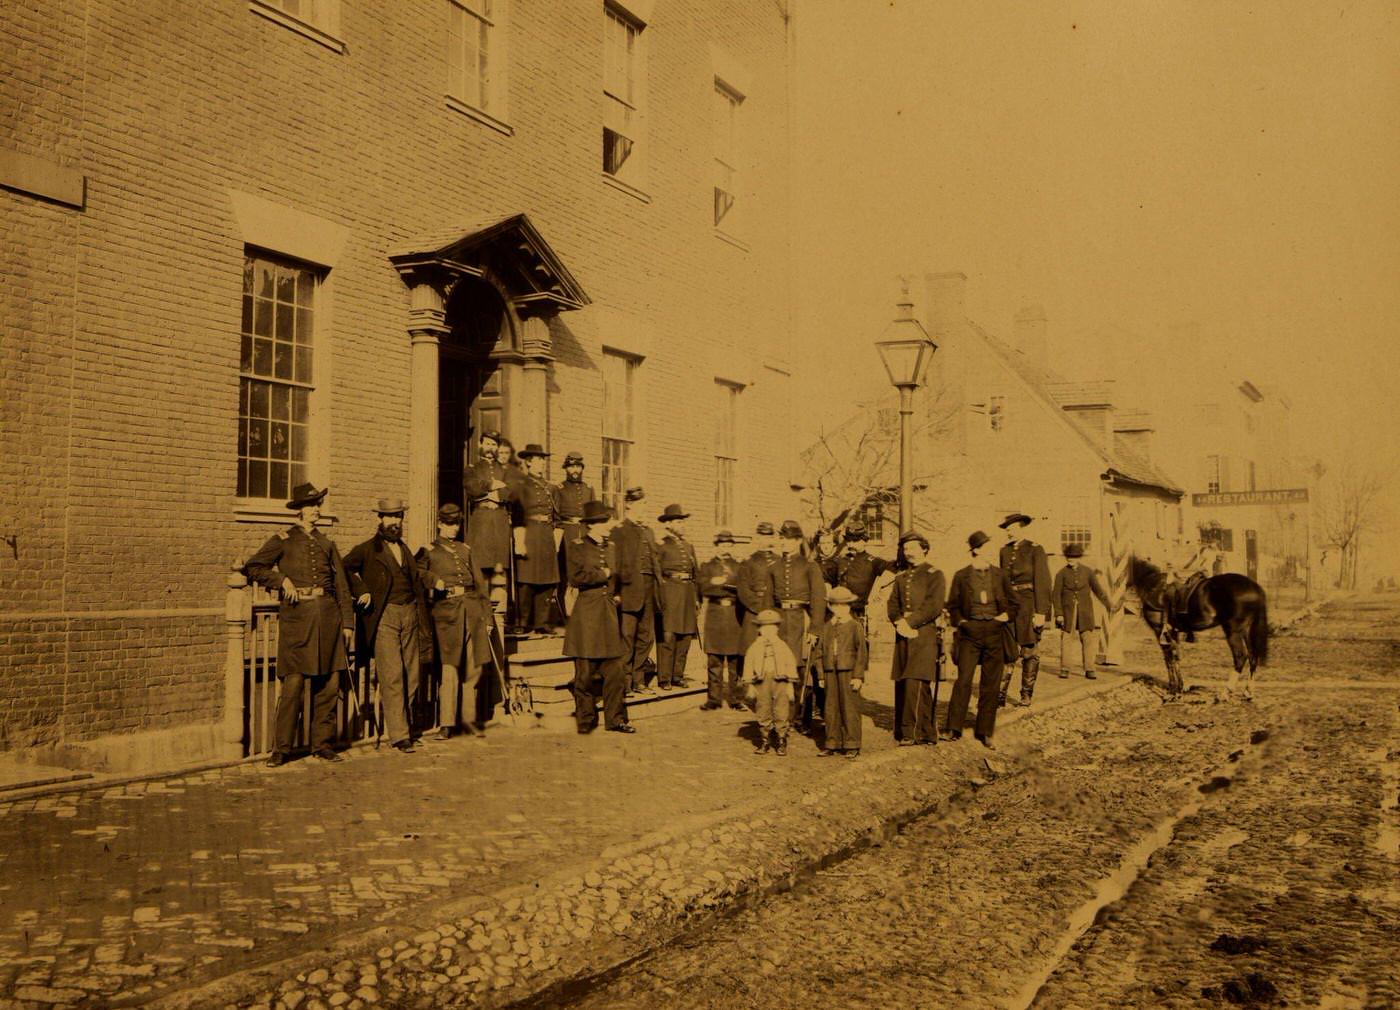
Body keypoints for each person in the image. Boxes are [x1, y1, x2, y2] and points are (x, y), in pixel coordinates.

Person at [244, 483, 354, 766]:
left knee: (329, 685)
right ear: (299, 510)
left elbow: (342, 586)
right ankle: (282, 748)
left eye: (318, 505)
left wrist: (348, 624)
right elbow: (254, 567)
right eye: (311, 505)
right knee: (293, 685)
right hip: (297, 620)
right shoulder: (282, 540)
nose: (316, 510)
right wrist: (282, 581)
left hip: (328, 619)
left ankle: (323, 744)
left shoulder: (327, 544)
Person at [344, 498, 435, 754]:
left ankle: (406, 726)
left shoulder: (404, 548)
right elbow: (343, 568)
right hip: (384, 617)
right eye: (389, 517)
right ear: (380, 520)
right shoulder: (367, 549)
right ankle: (400, 735)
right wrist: (361, 590)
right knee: (392, 675)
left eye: (398, 517)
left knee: (413, 674)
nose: (394, 522)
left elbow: (416, 576)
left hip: (411, 614)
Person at [417, 504, 491, 739]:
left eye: (457, 523)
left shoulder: (466, 549)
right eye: (449, 524)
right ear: (439, 524)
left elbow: (480, 584)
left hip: (472, 611)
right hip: (447, 614)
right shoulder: (428, 550)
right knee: (449, 668)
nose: (454, 528)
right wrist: (433, 579)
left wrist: (487, 617)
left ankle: (468, 720)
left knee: (474, 667)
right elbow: (416, 572)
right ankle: (447, 722)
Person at [562, 500, 634, 734]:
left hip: (608, 615)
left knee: (615, 672)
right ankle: (585, 721)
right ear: (592, 525)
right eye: (605, 522)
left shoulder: (611, 547)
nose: (609, 526)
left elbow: (617, 577)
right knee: (584, 676)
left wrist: (616, 595)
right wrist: (602, 575)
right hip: (587, 616)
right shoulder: (577, 546)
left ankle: (615, 720)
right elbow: (575, 577)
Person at [946, 530, 1016, 749]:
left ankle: (985, 731)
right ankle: (953, 728)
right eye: (986, 547)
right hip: (970, 633)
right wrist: (962, 623)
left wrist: (1003, 617)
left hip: (995, 632)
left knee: (991, 684)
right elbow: (953, 606)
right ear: (976, 550)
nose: (990, 551)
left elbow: (1014, 603)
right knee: (963, 680)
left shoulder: (1000, 575)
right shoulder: (961, 575)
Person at [886, 531, 946, 746]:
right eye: (905, 548)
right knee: (903, 681)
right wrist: (898, 621)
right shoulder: (901, 578)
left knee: (917, 681)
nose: (908, 552)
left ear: (924, 549)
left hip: (923, 634)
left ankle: (913, 732)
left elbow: (934, 605)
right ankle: (923, 732)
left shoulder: (934, 574)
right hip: (902, 634)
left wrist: (910, 623)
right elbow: (892, 604)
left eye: (912, 547)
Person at [768, 520, 827, 730]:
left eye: (789, 539)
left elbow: (818, 598)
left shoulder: (809, 566)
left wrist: (815, 629)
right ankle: (784, 715)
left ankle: (803, 717)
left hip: (801, 621)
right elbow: (768, 600)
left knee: (802, 670)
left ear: (798, 541)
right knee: (780, 669)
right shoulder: (774, 567)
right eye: (781, 538)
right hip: (780, 622)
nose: (784, 542)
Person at [998, 512, 1051, 708]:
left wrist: (1041, 612)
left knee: (1029, 651)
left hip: (1029, 605)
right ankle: (1000, 695)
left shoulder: (1035, 550)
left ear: (1021, 527)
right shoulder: (1004, 551)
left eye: (1011, 529)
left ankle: (1025, 695)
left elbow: (1043, 581)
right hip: (1009, 607)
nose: (1009, 533)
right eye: (1007, 530)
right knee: (1006, 650)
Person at [612, 486, 662, 695]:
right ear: (629, 505)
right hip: (629, 591)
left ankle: (639, 680)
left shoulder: (648, 531)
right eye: (640, 505)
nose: (644, 509)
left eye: (645, 504)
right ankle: (624, 682)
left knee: (646, 637)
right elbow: (616, 562)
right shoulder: (620, 530)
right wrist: (616, 591)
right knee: (627, 637)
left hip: (649, 590)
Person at [512, 443, 559, 636]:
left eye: (543, 460)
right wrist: (519, 540)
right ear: (529, 463)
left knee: (547, 580)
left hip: (547, 535)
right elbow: (516, 515)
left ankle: (542, 622)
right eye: (538, 460)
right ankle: (523, 621)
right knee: (527, 580)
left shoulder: (551, 488)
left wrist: (556, 541)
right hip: (529, 533)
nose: (541, 464)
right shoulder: (521, 485)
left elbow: (558, 517)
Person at [463, 431, 513, 606]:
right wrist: (493, 485)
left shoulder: (505, 470)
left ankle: (501, 616)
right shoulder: (472, 469)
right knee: (480, 566)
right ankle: (481, 612)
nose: (490, 448)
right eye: (488, 443)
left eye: (494, 444)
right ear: (480, 444)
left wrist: (494, 496)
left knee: (499, 569)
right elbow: (472, 488)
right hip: (481, 521)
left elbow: (512, 492)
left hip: (499, 521)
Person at [698, 529, 745, 710]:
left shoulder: (739, 567)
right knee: (714, 661)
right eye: (721, 544)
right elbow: (704, 589)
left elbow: (741, 589)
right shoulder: (707, 567)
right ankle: (714, 699)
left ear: (731, 546)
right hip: (716, 614)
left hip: (733, 615)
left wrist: (721, 585)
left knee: (734, 662)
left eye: (728, 544)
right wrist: (718, 585)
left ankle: (735, 699)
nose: (725, 548)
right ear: (716, 546)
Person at [819, 586, 868, 758]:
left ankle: (852, 743)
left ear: (849, 606)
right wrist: (820, 675)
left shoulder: (855, 626)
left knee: (850, 707)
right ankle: (832, 742)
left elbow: (862, 653)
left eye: (844, 605)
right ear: (830, 607)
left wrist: (858, 676)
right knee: (831, 707)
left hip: (849, 672)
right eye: (836, 605)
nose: (840, 609)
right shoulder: (826, 627)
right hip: (830, 672)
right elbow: (819, 653)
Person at [655, 504, 700, 689]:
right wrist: (661, 597)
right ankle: (664, 678)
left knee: (686, 637)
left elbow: (695, 573)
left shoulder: (689, 546)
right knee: (669, 636)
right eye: (678, 522)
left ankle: (677, 675)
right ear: (669, 524)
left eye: (683, 521)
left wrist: (696, 598)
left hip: (688, 594)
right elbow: (658, 573)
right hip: (670, 593)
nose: (682, 525)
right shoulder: (662, 545)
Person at [1052, 543, 1112, 681]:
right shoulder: (1061, 573)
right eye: (1068, 558)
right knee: (1066, 639)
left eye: (1073, 558)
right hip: (1068, 612)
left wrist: (1109, 605)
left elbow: (1098, 590)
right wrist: (1059, 614)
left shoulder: (1088, 572)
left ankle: (1089, 669)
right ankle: (1065, 668)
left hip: (1085, 612)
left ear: (1079, 558)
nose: (1070, 560)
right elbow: (1056, 595)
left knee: (1087, 639)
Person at [745, 609, 799, 756]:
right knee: (763, 708)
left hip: (780, 680)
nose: (768, 631)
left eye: (772, 627)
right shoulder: (755, 647)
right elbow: (748, 664)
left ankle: (781, 739)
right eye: (764, 627)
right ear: (759, 629)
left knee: (781, 709)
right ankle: (765, 739)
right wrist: (750, 684)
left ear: (777, 628)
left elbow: (790, 663)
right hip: (762, 681)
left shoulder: (782, 646)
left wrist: (790, 684)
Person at [821, 520, 890, 626]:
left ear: (864, 540)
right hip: (836, 612)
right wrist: (829, 600)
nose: (850, 544)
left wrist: (878, 593)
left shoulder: (873, 561)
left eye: (855, 541)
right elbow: (827, 579)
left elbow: (894, 573)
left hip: (857, 613)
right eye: (848, 540)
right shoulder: (839, 560)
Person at [553, 451, 595, 618]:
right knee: (567, 573)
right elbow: (556, 516)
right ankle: (566, 614)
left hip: (584, 532)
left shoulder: (589, 489)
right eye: (571, 467)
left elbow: (592, 515)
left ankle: (583, 611)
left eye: (578, 466)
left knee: (585, 569)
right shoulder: (559, 489)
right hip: (567, 533)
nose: (575, 470)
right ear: (566, 469)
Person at [737, 521, 779, 651]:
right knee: (751, 651)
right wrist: (759, 608)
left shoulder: (779, 560)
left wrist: (772, 608)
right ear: (757, 538)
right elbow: (743, 590)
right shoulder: (748, 561)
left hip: (775, 611)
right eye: (763, 536)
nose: (766, 540)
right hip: (754, 611)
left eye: (769, 537)